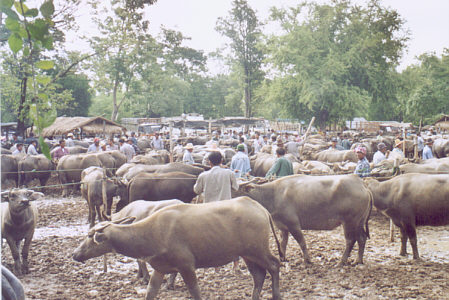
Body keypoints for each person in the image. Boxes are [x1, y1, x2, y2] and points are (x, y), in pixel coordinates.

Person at [193, 151, 239, 273]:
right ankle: (236, 265)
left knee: (212, 239)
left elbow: (196, 190)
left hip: (209, 211)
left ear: (209, 162)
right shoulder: (229, 173)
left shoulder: (203, 175)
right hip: (226, 209)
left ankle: (216, 267)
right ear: (222, 161)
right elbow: (236, 187)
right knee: (233, 237)